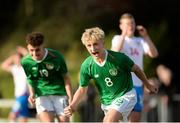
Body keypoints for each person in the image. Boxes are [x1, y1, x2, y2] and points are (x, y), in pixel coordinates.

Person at [64, 27, 158, 122]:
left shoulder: (118, 58)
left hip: (126, 95)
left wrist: (147, 85)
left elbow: (137, 69)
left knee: (108, 120)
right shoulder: (87, 65)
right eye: (89, 45)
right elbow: (82, 89)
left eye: (95, 44)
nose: (92, 49)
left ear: (103, 43)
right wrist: (72, 106)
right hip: (107, 103)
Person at [111, 13, 159, 122]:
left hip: (137, 83)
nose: (131, 26)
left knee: (136, 117)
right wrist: (123, 35)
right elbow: (114, 53)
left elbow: (154, 54)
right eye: (127, 24)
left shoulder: (140, 41)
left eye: (132, 23)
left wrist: (145, 36)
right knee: (121, 116)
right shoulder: (117, 38)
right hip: (122, 84)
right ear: (121, 26)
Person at [20, 32, 73, 122]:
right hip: (42, 95)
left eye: (37, 50)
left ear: (43, 46)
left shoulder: (56, 57)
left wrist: (70, 97)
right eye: (31, 50)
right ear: (28, 48)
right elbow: (30, 78)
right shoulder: (25, 61)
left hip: (59, 94)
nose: (34, 53)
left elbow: (66, 78)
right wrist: (32, 93)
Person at [1, 46, 29, 122]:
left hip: (23, 95)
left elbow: (30, 59)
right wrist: (12, 57)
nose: (16, 60)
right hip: (19, 96)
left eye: (18, 58)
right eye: (15, 59)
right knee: (23, 119)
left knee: (12, 116)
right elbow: (3, 65)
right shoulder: (15, 68)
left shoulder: (26, 68)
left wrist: (23, 51)